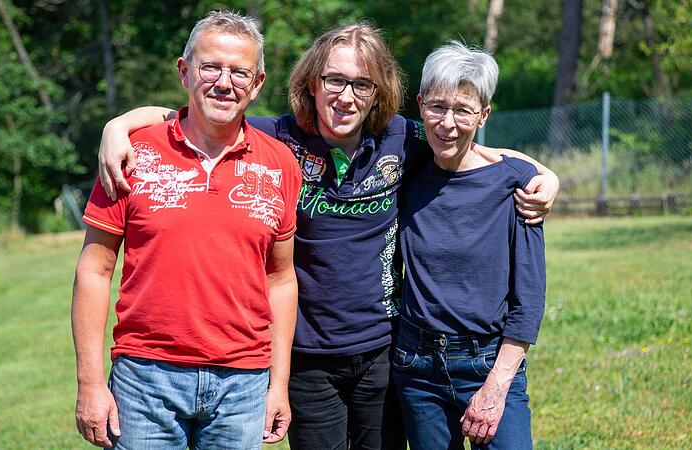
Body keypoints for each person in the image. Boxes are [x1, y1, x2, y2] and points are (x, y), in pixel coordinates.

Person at [96, 23, 558, 450]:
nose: (346, 96)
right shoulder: (278, 138)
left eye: (362, 84)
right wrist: (119, 125)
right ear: (312, 84)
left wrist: (544, 175)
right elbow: (199, 111)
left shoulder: (401, 138)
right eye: (334, 80)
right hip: (307, 356)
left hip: (383, 350)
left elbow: (465, 145)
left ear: (379, 94)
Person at [71, 11, 301, 450]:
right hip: (145, 379)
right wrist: (90, 383)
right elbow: (95, 270)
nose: (224, 82)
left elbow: (281, 278)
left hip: (244, 384)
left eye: (239, 72)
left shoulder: (279, 164)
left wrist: (278, 384)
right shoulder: (131, 154)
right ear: (184, 71)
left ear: (257, 83)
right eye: (210, 66)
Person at [392, 41, 546, 450]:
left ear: (483, 115)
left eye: (462, 109)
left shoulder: (515, 183)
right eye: (437, 106)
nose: (447, 123)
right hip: (415, 365)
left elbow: (528, 300)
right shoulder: (407, 168)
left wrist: (496, 387)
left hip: (488, 362)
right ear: (420, 104)